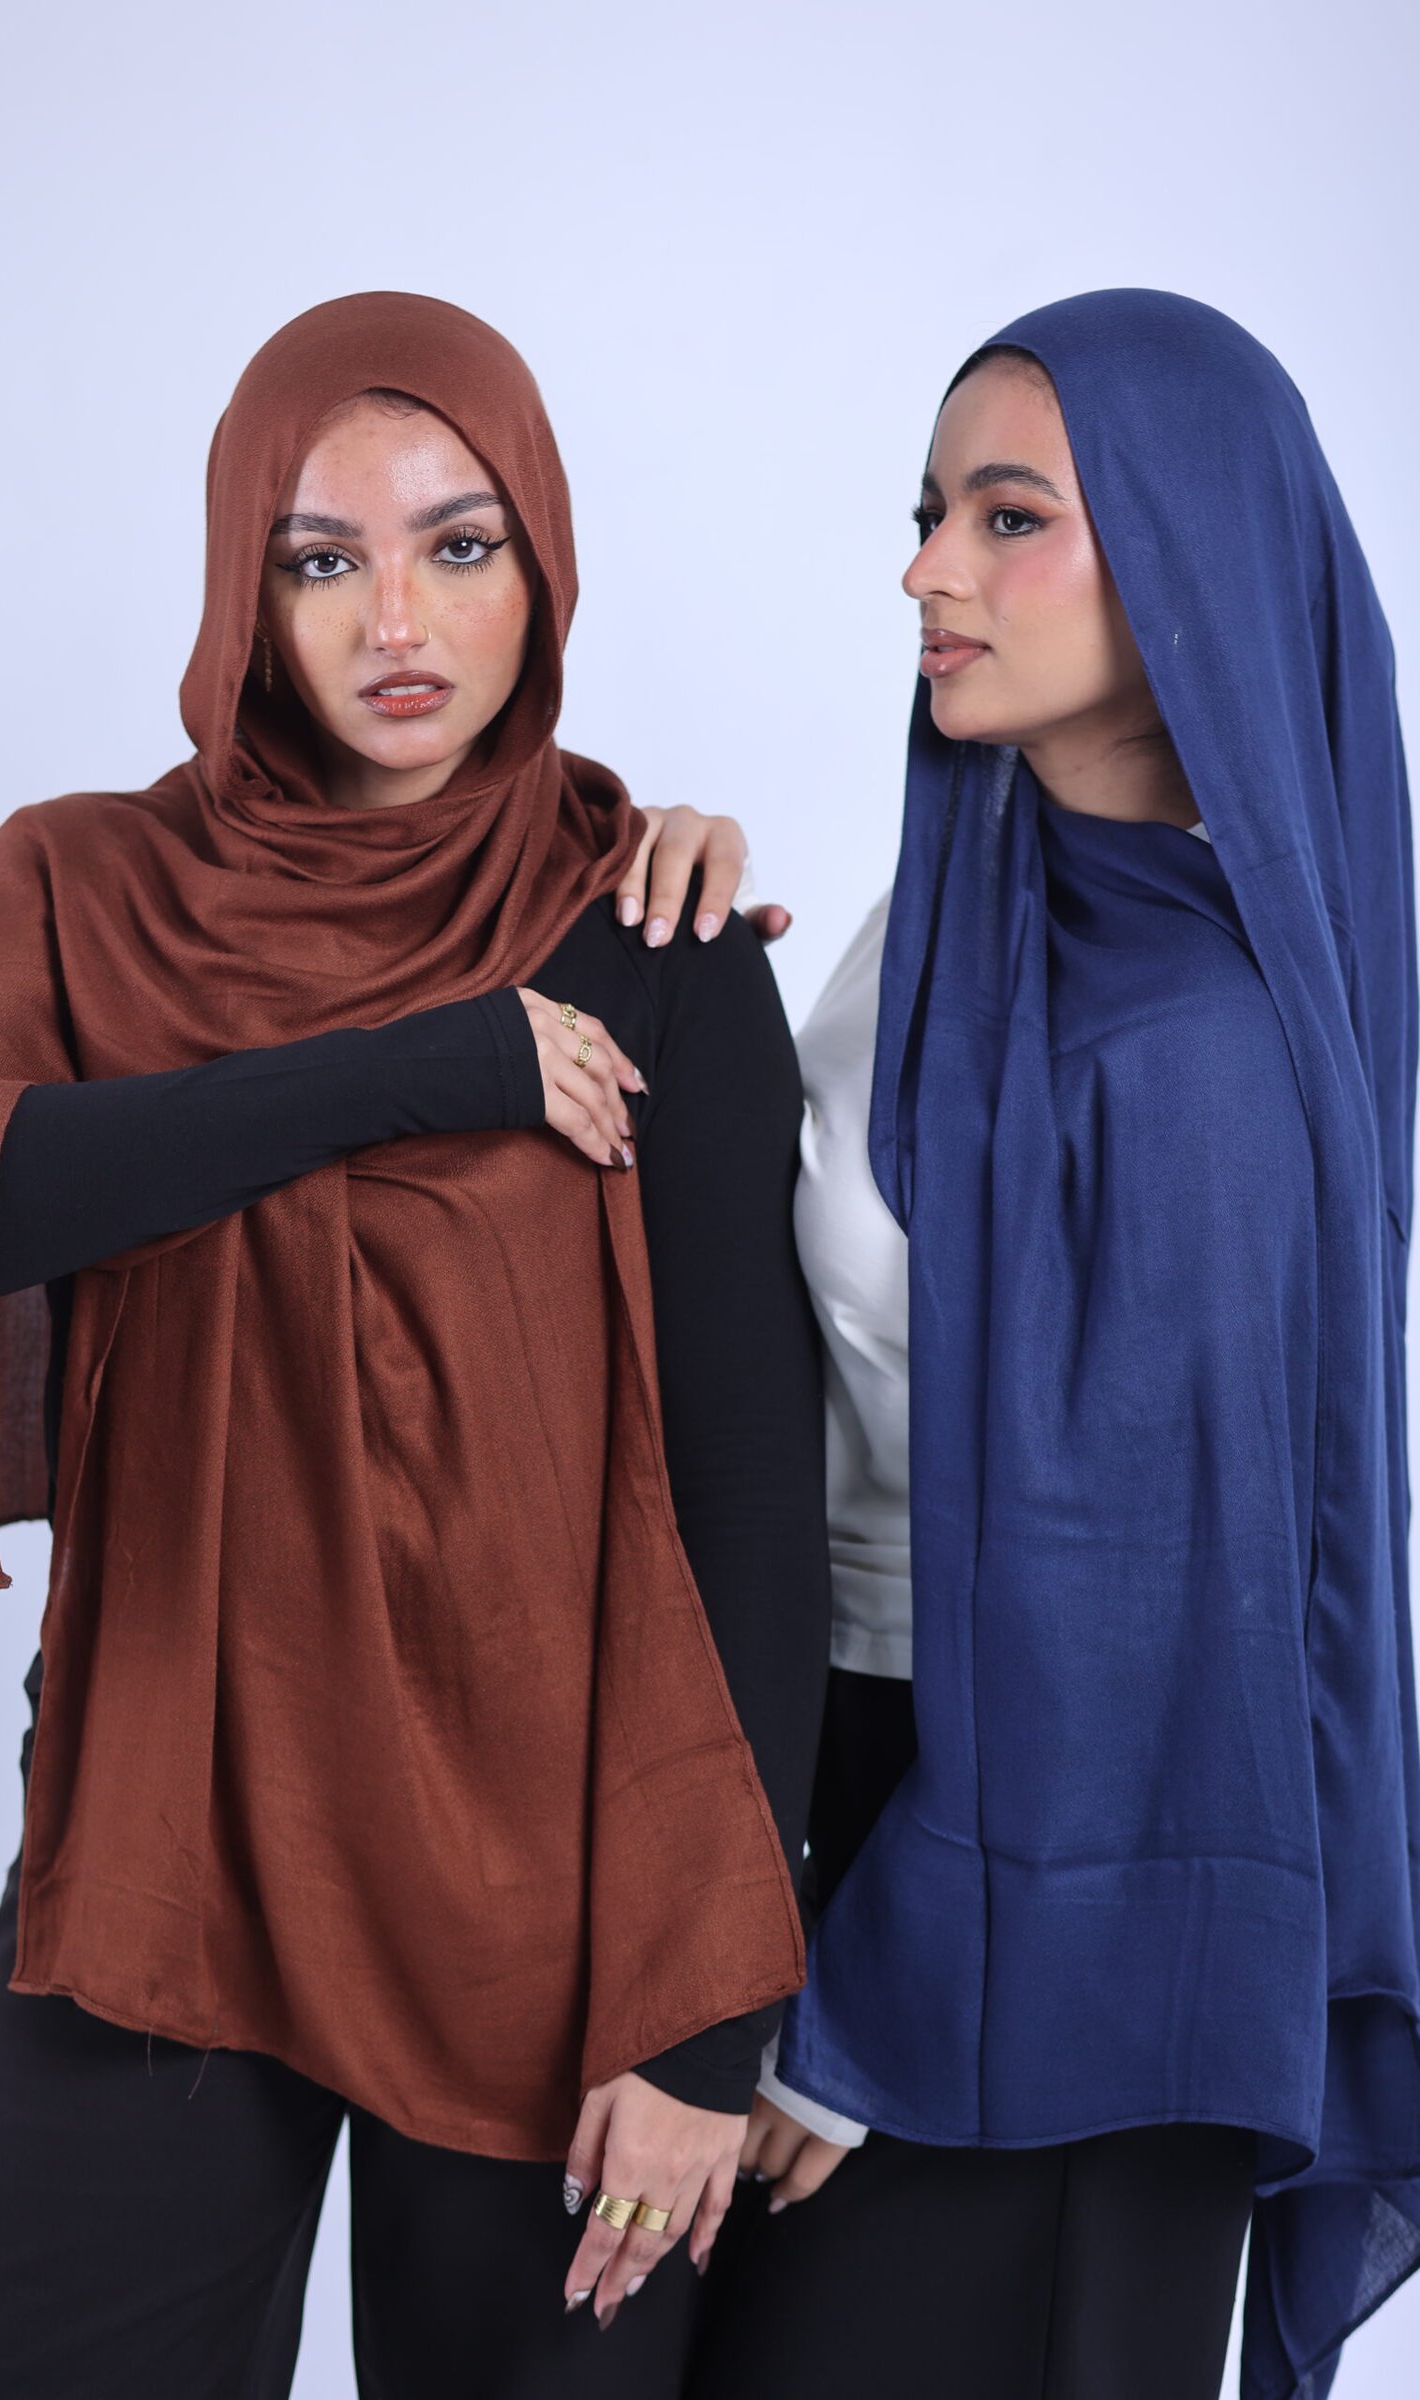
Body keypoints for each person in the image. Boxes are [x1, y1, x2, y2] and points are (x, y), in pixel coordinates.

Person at [0, 292, 833, 2399]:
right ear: (241, 588)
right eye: (320, 558)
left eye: (459, 545)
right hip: (167, 1844)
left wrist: (702, 2024)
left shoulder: (649, 937)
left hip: (558, 1904)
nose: (397, 620)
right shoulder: (87, 890)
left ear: (541, 561)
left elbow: (747, 1496)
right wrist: (399, 1071)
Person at [665, 292, 1420, 2400]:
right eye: (926, 514)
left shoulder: (1206, 1051)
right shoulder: (946, 912)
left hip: (1071, 1890)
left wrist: (865, 2023)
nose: (927, 571)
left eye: (1010, 518)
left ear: (1185, 556)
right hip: (843, 1781)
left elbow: (1162, 1610)